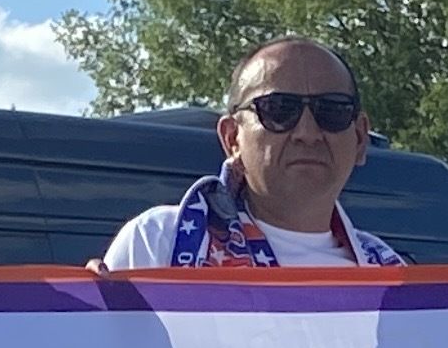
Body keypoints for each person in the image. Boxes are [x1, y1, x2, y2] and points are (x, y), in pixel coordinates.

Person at [99, 36, 405, 270]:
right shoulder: (160, 243)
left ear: (360, 138)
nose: (307, 133)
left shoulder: (398, 283)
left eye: (332, 110)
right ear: (232, 138)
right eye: (278, 109)